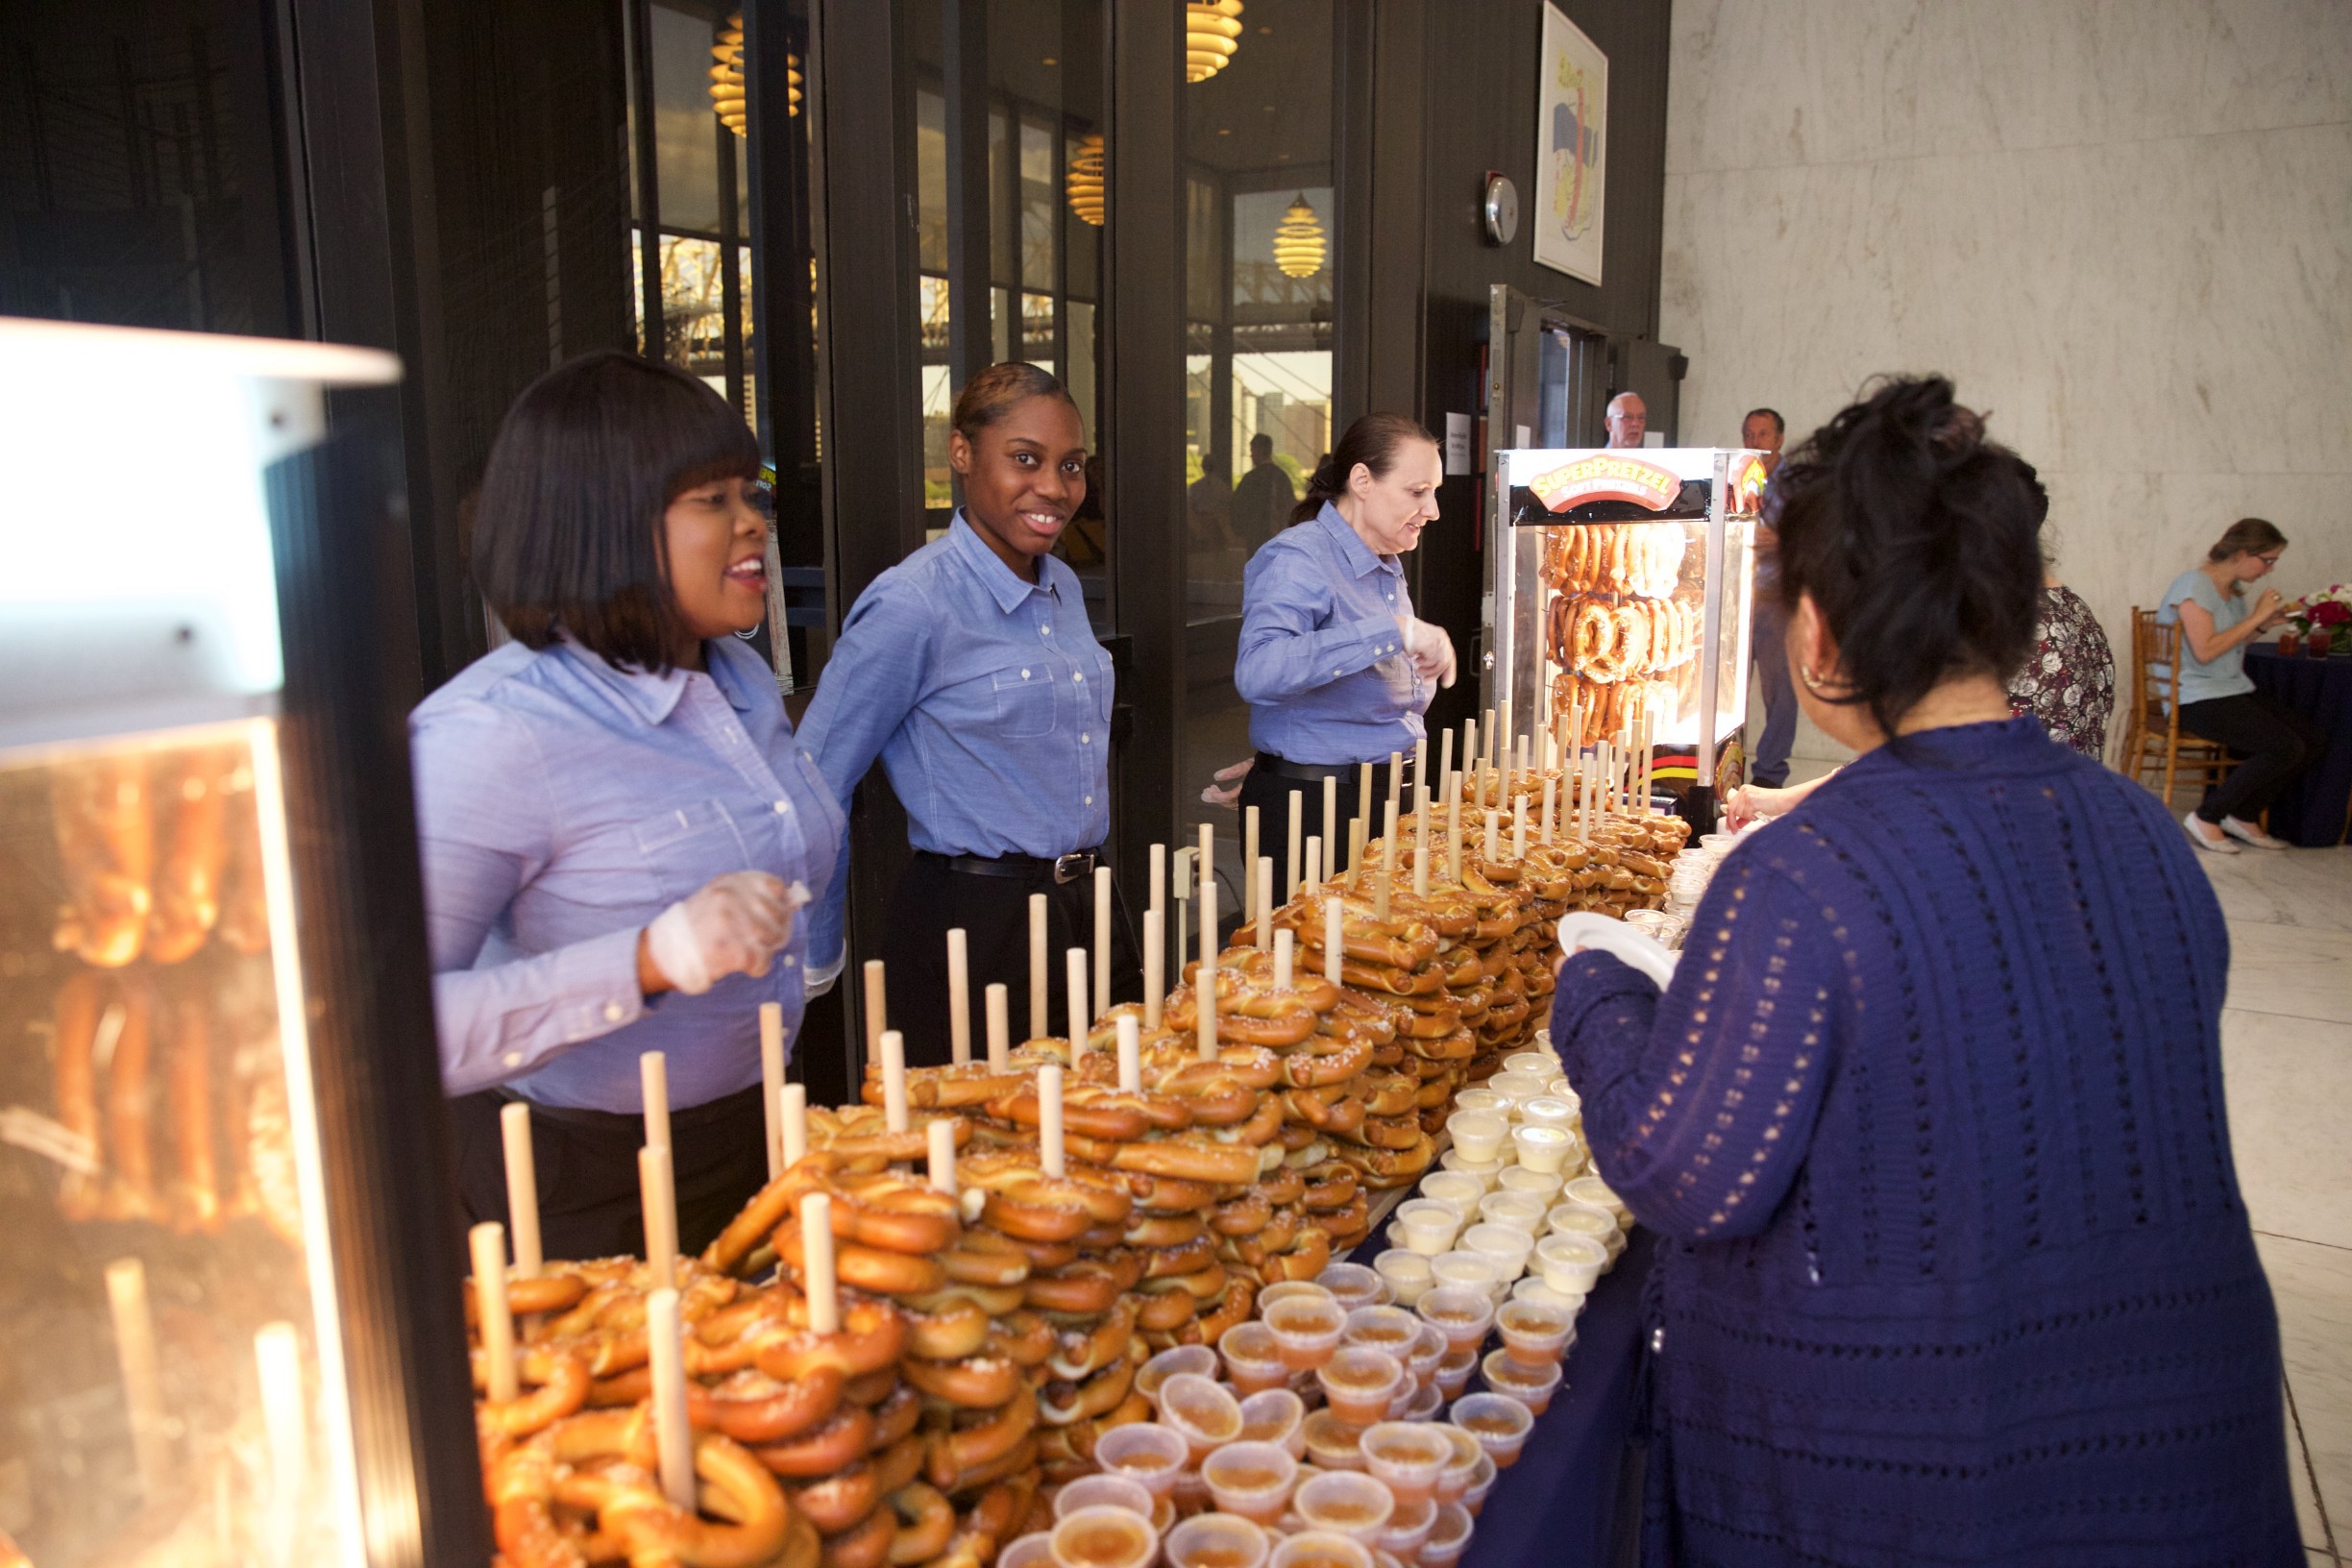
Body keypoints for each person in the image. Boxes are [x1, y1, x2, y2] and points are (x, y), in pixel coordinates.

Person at [1551, 377, 2298, 1564]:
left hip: (1905, 1469)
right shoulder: (2141, 828)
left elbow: (1685, 1174)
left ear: (1816, 635)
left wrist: (1599, 990)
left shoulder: (1807, 875)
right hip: (2170, 1442)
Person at [411, 352, 842, 1260]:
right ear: (601, 526)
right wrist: (647, 959)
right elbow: (391, 1030)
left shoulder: (741, 680)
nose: (753, 524)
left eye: (752, 494)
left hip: (760, 1135)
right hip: (583, 1182)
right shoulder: (494, 734)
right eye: (711, 500)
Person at [800, 363, 1135, 1065]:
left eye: (1071, 465)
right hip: (976, 927)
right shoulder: (912, 603)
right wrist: (813, 954)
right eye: (1025, 459)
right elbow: (815, 782)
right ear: (961, 454)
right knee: (989, 1129)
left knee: (1112, 1113)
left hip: (1091, 905)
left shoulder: (1063, 585)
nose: (1055, 487)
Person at [1232, 414, 1455, 902]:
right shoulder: (1299, 556)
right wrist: (1394, 631)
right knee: (1318, 948)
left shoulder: (1384, 562)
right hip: (1320, 809)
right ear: (1362, 481)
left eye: (1434, 492)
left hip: (1385, 799)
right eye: (1417, 492)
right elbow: (1259, 669)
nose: (1433, 510)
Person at [2159, 518, 2319, 853]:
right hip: (2194, 697)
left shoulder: (2232, 593)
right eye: (2268, 560)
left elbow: (2230, 647)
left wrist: (2263, 625)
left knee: (2312, 740)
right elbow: (2205, 652)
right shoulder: (2193, 585)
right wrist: (2256, 616)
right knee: (2284, 746)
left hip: (2228, 688)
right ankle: (2207, 816)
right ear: (2244, 553)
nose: (2270, 569)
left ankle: (2242, 814)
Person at [1740, 406, 1797, 788]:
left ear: (1779, 439)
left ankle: (1770, 774)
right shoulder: (1739, 477)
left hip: (1779, 599)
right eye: (1749, 434)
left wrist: (1776, 540)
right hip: (1741, 597)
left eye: (1763, 434)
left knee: (1781, 693)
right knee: (1729, 689)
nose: (1755, 441)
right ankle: (1724, 763)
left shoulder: (1798, 484)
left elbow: (1815, 538)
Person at [1229, 432, 1298, 555]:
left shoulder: (1250, 479)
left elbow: (1238, 507)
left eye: (1252, 451)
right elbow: (1290, 507)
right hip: (1279, 537)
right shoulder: (1282, 477)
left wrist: (1240, 532)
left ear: (1259, 450)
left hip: (1255, 537)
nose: (1251, 455)